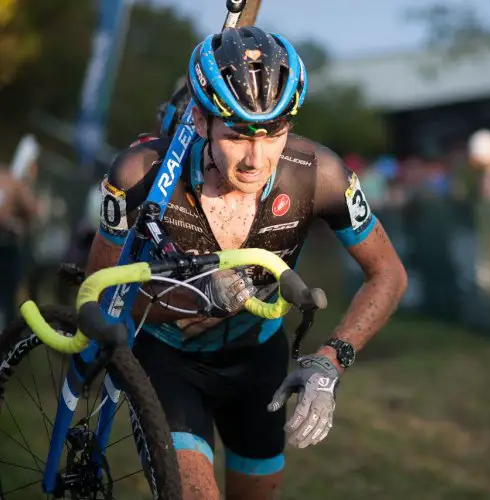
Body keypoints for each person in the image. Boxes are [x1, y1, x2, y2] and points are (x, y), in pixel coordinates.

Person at [86, 27, 407, 500]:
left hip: (257, 361)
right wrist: (192, 297)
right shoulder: (140, 174)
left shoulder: (320, 175)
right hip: (166, 360)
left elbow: (389, 274)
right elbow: (99, 292)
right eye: (237, 135)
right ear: (200, 120)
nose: (257, 159)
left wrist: (330, 361)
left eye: (274, 133)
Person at [0, 163, 39, 327]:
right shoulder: (14, 182)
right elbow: (34, 210)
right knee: (7, 293)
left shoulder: (10, 179)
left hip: (8, 245)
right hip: (6, 246)